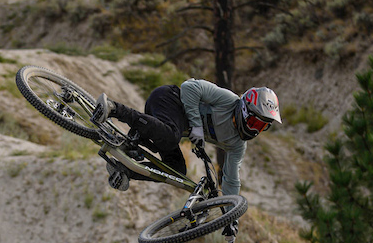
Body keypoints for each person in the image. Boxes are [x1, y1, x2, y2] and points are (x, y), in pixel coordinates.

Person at [90, 79, 281, 195]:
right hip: (168, 99)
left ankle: (125, 170)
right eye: (255, 122)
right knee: (172, 136)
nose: (255, 130)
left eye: (262, 126)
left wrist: (231, 218)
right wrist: (197, 127)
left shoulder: (238, 145)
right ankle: (115, 108)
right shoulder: (228, 100)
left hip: (169, 125)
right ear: (245, 110)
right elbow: (189, 87)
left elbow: (231, 180)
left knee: (177, 172)